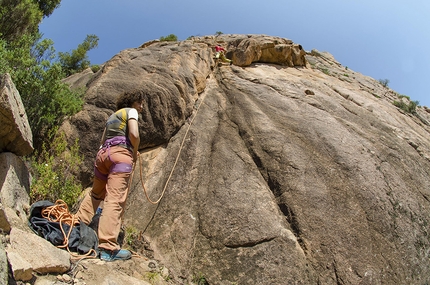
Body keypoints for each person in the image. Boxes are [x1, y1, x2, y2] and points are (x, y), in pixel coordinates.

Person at [76, 89, 145, 261]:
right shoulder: (131, 112)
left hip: (103, 156)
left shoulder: (112, 116)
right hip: (120, 155)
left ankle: (74, 226)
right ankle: (108, 247)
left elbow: (101, 142)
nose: (142, 107)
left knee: (95, 194)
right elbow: (134, 134)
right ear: (132, 102)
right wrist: (134, 152)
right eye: (140, 103)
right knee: (115, 199)